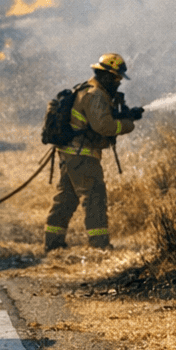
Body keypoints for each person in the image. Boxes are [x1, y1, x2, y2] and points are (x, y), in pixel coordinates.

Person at [44, 52, 140, 251]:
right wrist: (127, 124)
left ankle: (53, 244)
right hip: (82, 155)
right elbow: (102, 126)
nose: (118, 82)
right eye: (115, 77)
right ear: (104, 75)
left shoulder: (90, 90)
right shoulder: (95, 94)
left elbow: (98, 119)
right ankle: (100, 245)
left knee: (66, 199)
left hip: (72, 154)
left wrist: (125, 114)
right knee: (95, 196)